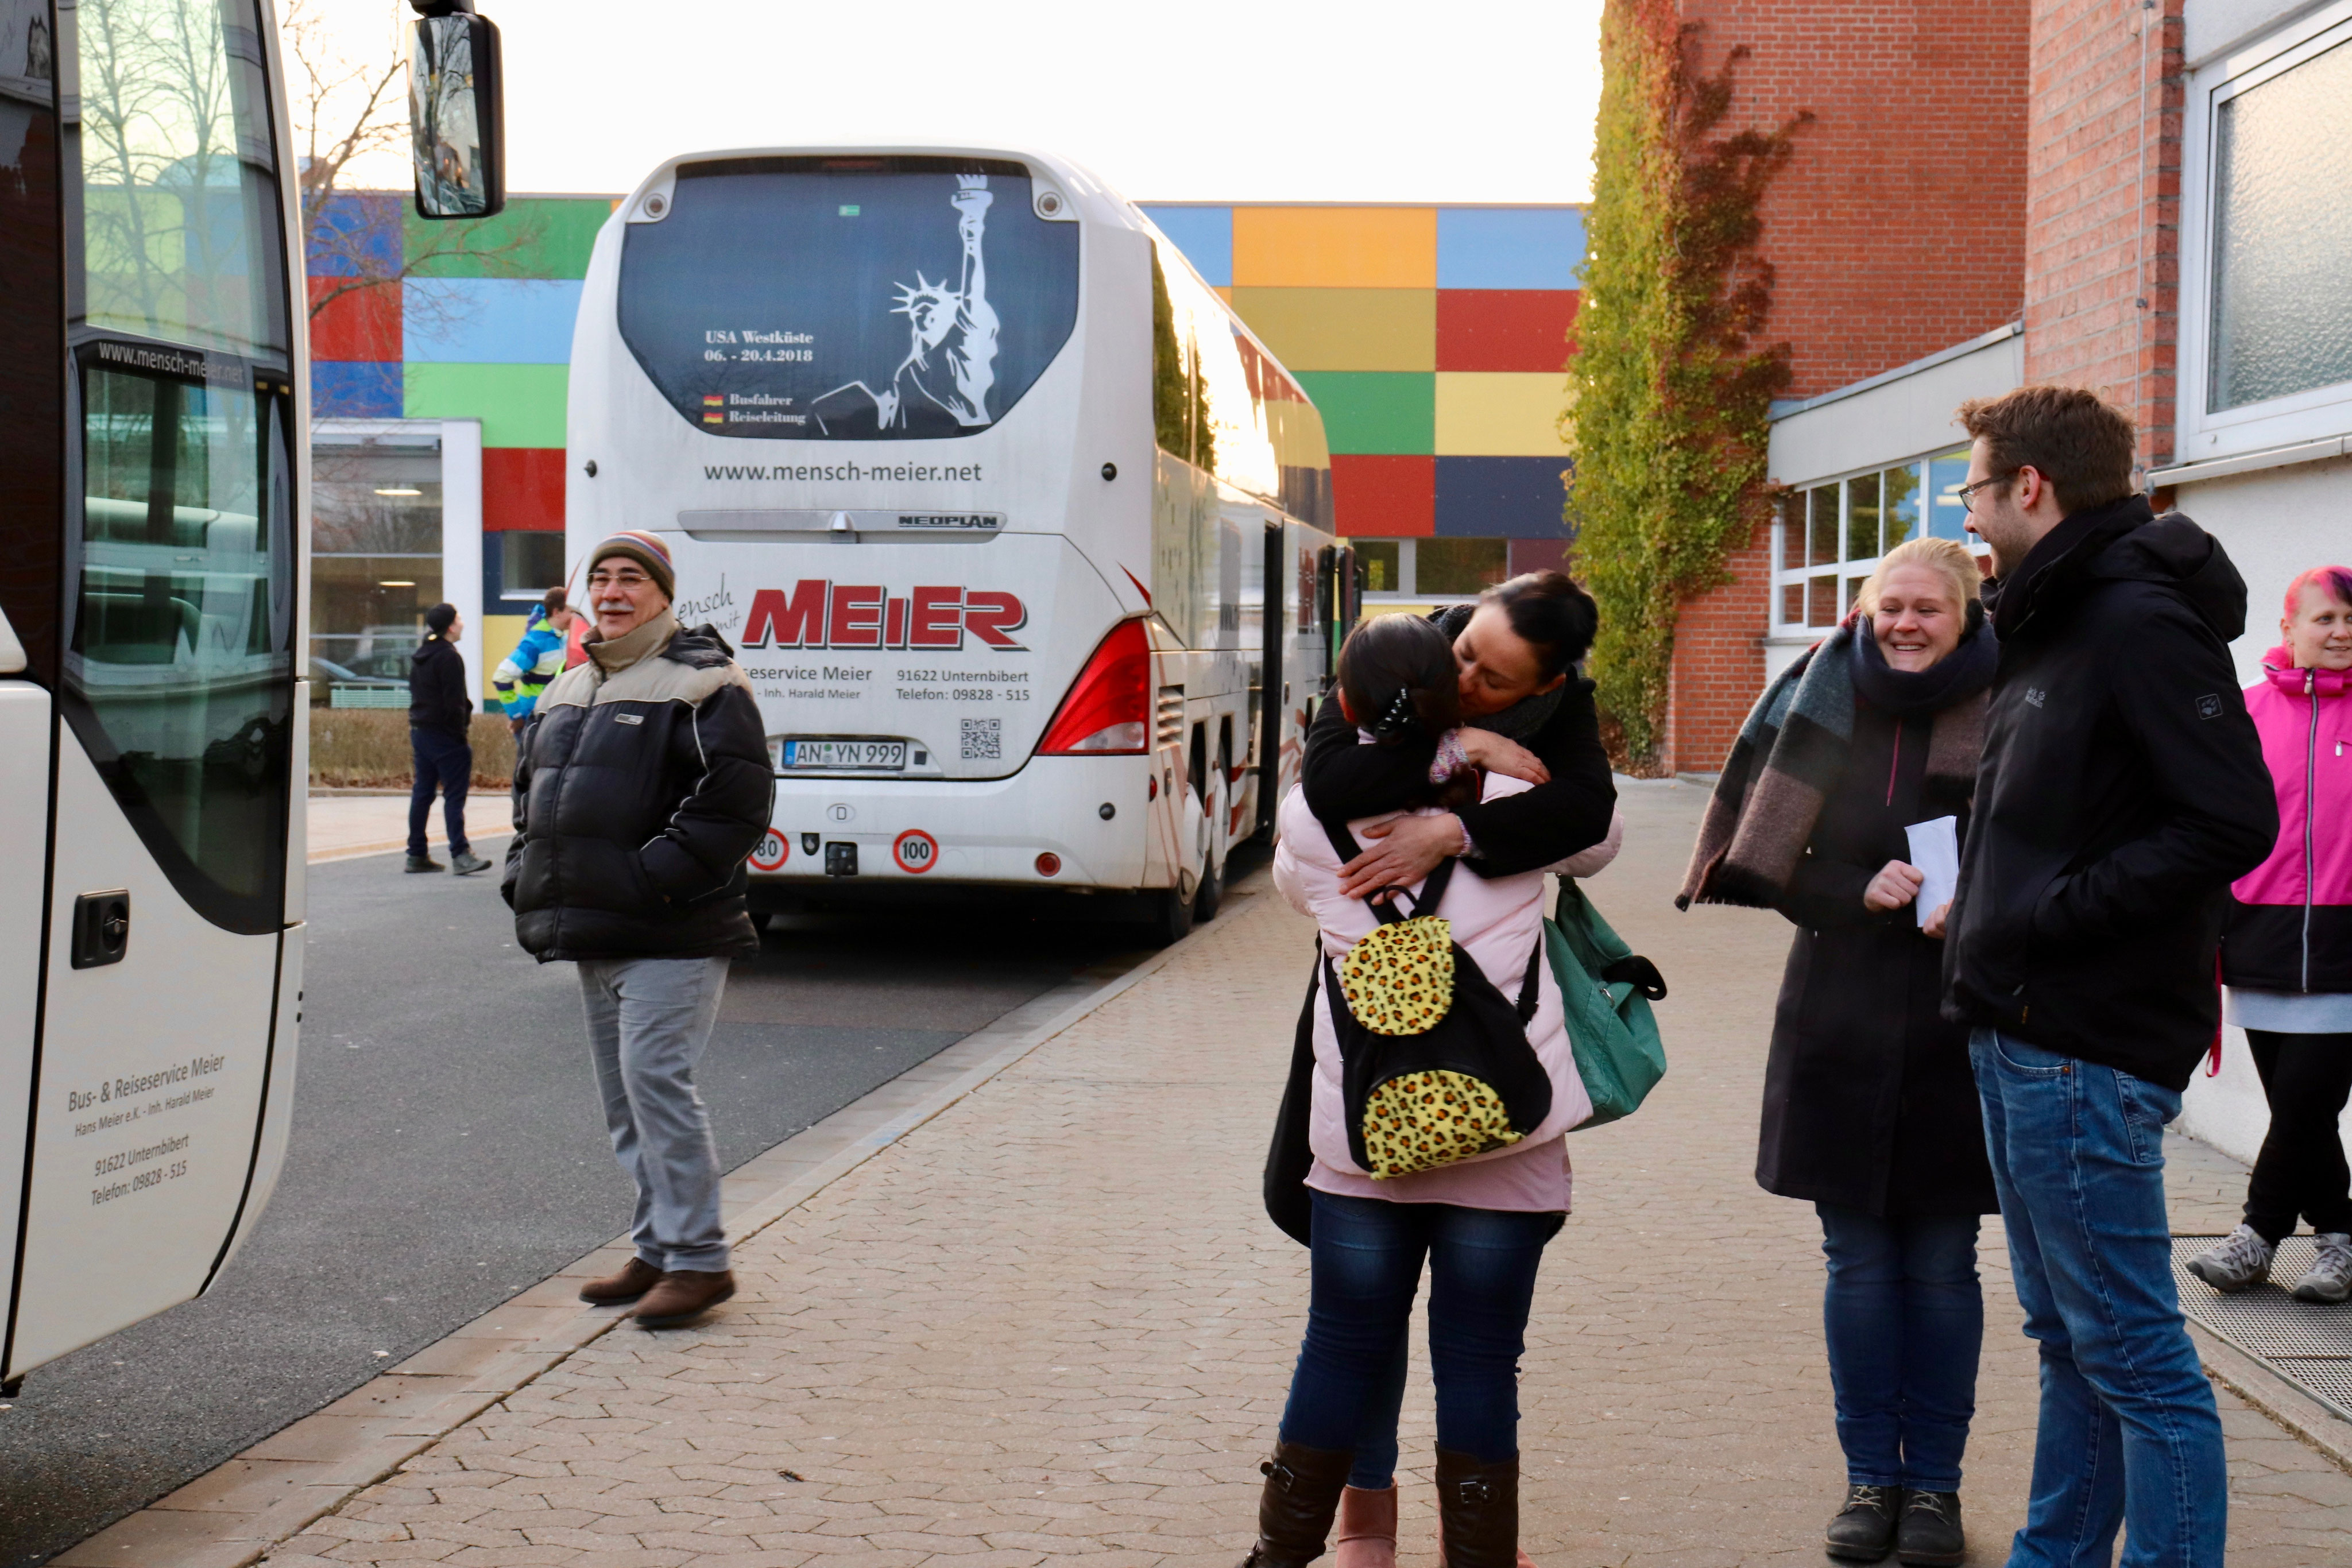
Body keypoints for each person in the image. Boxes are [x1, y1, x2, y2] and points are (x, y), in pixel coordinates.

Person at [1941, 386, 2277, 1568]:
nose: (1965, 512)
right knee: (2071, 1341)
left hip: (2081, 1043)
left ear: (2027, 486)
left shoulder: (2134, 617)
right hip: (2018, 1026)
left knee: (2133, 1357)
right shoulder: (2053, 610)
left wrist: (2049, 914)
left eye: (1972, 487)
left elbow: (2230, 817)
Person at [1248, 614, 1595, 1568]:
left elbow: (1293, 889)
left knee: (1339, 1345)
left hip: (1363, 1136)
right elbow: (1596, 839)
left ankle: (1288, 1552)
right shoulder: (1520, 792)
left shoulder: (1306, 818)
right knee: (1480, 1362)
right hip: (1505, 1135)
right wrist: (1477, 765)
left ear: (1345, 704)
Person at [1680, 537, 1997, 1566]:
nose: (1905, 623)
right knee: (1857, 1259)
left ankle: (1935, 1488)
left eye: (1928, 609)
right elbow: (1770, 858)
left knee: (1942, 1263)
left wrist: (1977, 899)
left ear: (1967, 615)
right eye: (1890, 605)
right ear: (1864, 610)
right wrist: (1854, 887)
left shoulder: (2011, 699)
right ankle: (1870, 1479)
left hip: (1961, 1016)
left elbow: (2046, 843)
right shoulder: (1821, 692)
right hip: (1841, 1012)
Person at [503, 531, 775, 1329]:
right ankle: (658, 1247)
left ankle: (700, 1261)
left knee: (657, 1084)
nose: (613, 591)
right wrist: (524, 870)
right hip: (596, 926)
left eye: (631, 578)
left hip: (673, 930)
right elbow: (529, 793)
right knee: (627, 1102)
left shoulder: (706, 681)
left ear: (662, 593)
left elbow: (736, 804)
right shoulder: (571, 683)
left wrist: (650, 878)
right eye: (602, 578)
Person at [2190, 565, 2352, 1303]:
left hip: (2345, 945)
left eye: (2350, 621)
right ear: (2288, 628)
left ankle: (2257, 1235)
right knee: (2300, 1112)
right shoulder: (2245, 712)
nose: (2341, 632)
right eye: (2325, 619)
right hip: (2257, 937)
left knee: (2304, 1102)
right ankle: (2339, 1237)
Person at [1302, 571, 1617, 899]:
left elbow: (1590, 809)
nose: (1463, 683)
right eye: (1465, 653)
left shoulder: (1562, 701)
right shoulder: (1394, 652)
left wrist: (1449, 834)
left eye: (1493, 682)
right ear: (1474, 613)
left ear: (1545, 686)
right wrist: (1462, 748)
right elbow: (1324, 782)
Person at [407, 603, 489, 876]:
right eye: (460, 618)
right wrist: (460, 735)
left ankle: (416, 854)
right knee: (454, 795)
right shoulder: (449, 657)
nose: (462, 623)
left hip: (421, 731)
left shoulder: (421, 655)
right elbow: (455, 702)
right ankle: (461, 854)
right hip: (445, 735)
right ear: (451, 627)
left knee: (423, 793)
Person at [492, 588, 580, 735]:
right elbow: (502, 677)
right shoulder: (534, 643)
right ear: (556, 612)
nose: (575, 616)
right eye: (571, 611)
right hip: (533, 721)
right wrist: (516, 716)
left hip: (553, 719)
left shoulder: (563, 640)